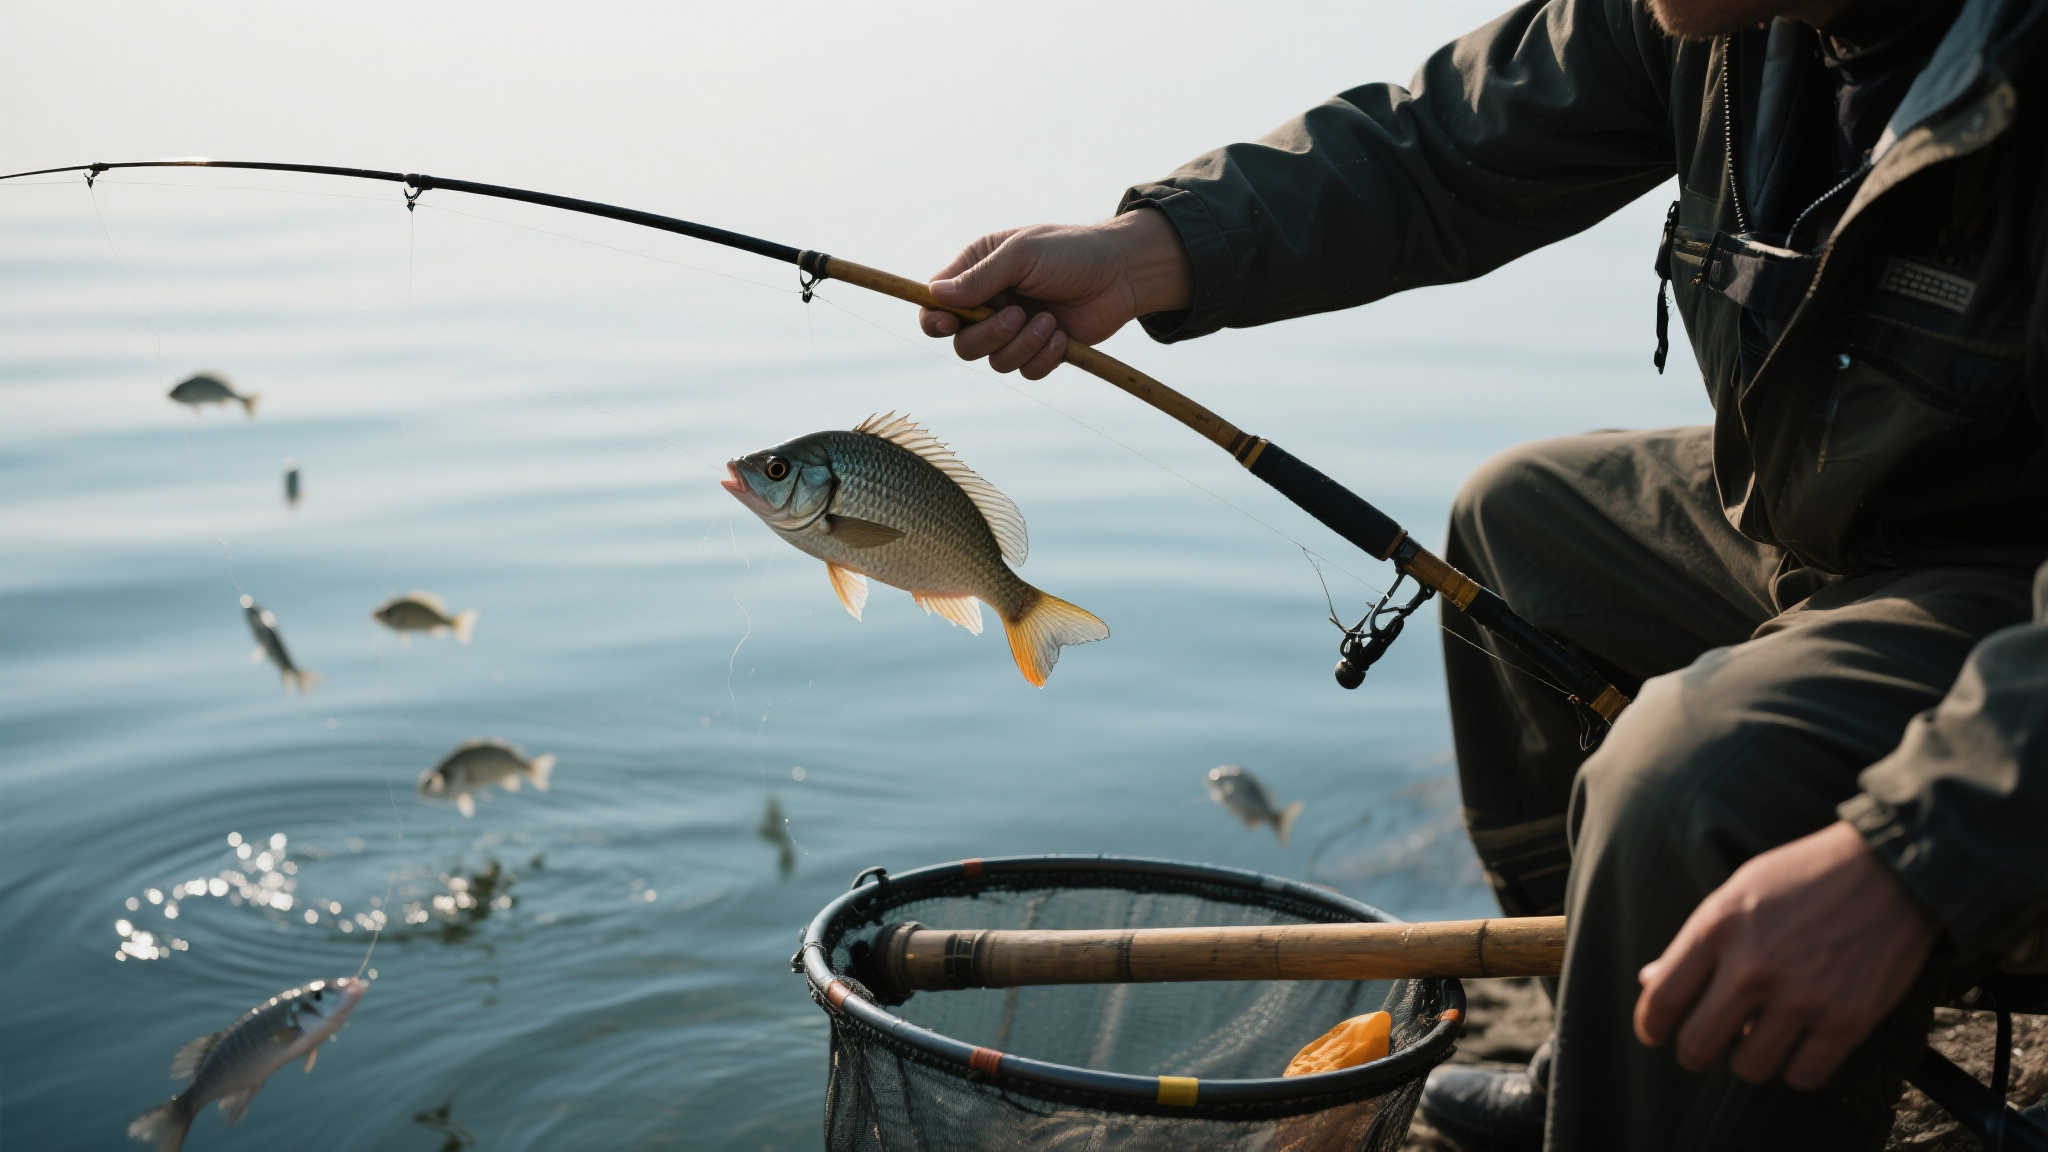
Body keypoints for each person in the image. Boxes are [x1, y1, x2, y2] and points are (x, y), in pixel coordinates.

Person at [918, 0, 2048, 1147]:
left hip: (2014, 595)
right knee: (1520, 523)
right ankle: (1619, 1054)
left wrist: (1909, 856)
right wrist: (1146, 252)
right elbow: (1441, 146)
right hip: (1850, 524)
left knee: (1689, 772)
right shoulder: (1714, 23)